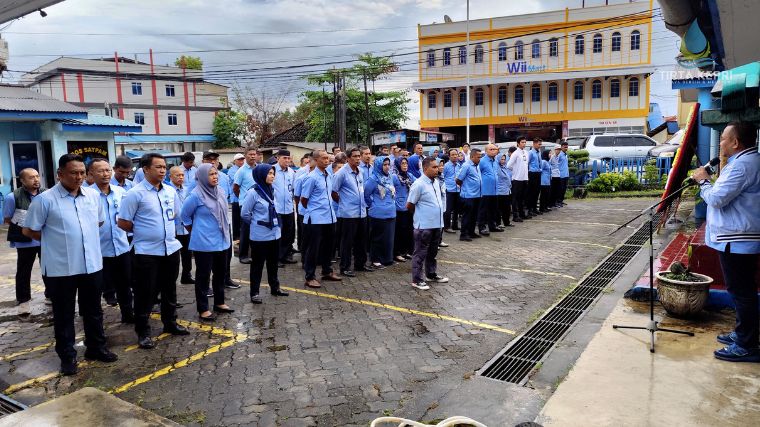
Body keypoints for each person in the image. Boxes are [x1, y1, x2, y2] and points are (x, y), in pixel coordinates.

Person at [23, 154, 117, 375]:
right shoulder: (45, 200)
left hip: (92, 265)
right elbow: (29, 230)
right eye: (73, 173)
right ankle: (67, 357)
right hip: (60, 268)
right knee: (64, 315)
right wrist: (54, 241)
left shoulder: (92, 197)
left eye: (82, 173)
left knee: (94, 311)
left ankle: (96, 348)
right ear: (60, 174)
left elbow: (99, 222)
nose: (79, 177)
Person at [692, 121, 760, 362]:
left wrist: (702, 181)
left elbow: (718, 199)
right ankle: (744, 334)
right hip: (737, 238)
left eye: (723, 138)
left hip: (738, 241)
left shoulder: (742, 166)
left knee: (742, 292)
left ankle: (747, 344)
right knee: (742, 291)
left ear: (735, 142)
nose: (720, 142)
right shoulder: (745, 162)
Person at [118, 153, 189, 350]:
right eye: (158, 167)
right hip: (146, 251)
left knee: (169, 289)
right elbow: (123, 221)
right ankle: (143, 331)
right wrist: (145, 231)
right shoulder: (135, 193)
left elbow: (175, 214)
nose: (162, 170)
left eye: (164, 167)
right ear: (145, 169)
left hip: (170, 248)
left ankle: (170, 322)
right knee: (145, 292)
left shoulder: (169, 191)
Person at [181, 163, 234, 320]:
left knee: (220, 273)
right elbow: (184, 216)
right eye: (211, 174)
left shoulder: (221, 192)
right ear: (203, 177)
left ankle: (219, 302)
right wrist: (195, 231)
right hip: (203, 243)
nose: (215, 177)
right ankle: (203, 308)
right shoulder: (195, 195)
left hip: (222, 240)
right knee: (203, 276)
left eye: (216, 174)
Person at [90, 158, 134, 323]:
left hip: (122, 247)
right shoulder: (87, 195)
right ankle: (95, 321)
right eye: (100, 171)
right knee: (95, 289)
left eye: (107, 170)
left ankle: (128, 315)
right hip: (98, 251)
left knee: (125, 285)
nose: (105, 174)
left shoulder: (121, 193)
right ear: (91, 174)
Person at [4, 168, 48, 316]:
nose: (36, 180)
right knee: (24, 271)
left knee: (49, 268)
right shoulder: (12, 197)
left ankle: (51, 295)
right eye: (31, 177)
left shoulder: (46, 194)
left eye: (37, 176)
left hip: (44, 239)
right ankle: (23, 301)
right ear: (22, 180)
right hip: (25, 241)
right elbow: (8, 219)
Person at [406, 157, 449, 290]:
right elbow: (409, 205)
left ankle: (431, 274)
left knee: (433, 251)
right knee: (420, 253)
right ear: (425, 169)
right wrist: (421, 215)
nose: (437, 169)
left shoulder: (435, 182)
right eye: (434, 167)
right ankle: (417, 279)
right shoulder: (418, 184)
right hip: (424, 225)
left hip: (437, 223)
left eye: (437, 167)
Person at [300, 150, 341, 288]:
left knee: (328, 247)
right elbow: (304, 199)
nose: (327, 160)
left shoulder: (328, 175)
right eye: (323, 158)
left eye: (327, 158)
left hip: (329, 217)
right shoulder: (311, 177)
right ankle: (310, 276)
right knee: (313, 249)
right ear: (316, 160)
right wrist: (314, 210)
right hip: (316, 218)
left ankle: (327, 271)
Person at [331, 147, 369, 277]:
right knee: (347, 242)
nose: (358, 158)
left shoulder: (361, 172)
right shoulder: (341, 173)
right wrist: (343, 203)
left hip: (361, 212)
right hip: (348, 214)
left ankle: (360, 264)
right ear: (348, 158)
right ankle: (345, 267)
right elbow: (333, 191)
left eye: (359, 156)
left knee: (361, 240)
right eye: (355, 156)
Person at [364, 156, 396, 269]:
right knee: (377, 238)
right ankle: (375, 260)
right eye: (384, 165)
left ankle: (387, 259)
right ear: (379, 165)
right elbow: (366, 195)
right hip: (378, 213)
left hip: (391, 212)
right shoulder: (373, 179)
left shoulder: (389, 177)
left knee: (388, 237)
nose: (387, 167)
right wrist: (373, 205)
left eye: (388, 164)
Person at [233, 147, 258, 264]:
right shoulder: (241, 171)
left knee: (256, 230)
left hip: (257, 205)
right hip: (245, 205)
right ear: (245, 156)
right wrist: (244, 199)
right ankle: (243, 255)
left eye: (254, 154)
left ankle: (254, 253)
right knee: (245, 230)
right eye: (250, 154)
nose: (253, 156)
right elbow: (236, 188)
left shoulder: (258, 168)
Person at [169, 166, 194, 285]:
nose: (180, 177)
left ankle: (186, 276)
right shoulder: (167, 190)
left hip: (185, 228)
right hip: (173, 229)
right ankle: (171, 281)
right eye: (177, 175)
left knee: (187, 255)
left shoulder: (186, 190)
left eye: (182, 175)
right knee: (173, 259)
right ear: (170, 176)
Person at [272, 150, 297, 266]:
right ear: (278, 158)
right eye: (284, 158)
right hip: (276, 208)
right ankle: (276, 258)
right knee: (277, 234)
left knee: (288, 233)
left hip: (288, 207)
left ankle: (285, 255)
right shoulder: (271, 170)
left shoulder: (291, 172)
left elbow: (293, 189)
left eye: (288, 158)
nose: (287, 161)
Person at [456, 148, 482, 241]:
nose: (480, 159)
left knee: (474, 216)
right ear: (472, 156)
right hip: (468, 196)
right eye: (478, 157)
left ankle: (471, 232)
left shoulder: (476, 165)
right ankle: (463, 234)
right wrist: (466, 188)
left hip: (477, 195)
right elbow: (458, 179)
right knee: (467, 215)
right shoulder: (466, 166)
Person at [392, 157, 415, 262]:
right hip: (399, 208)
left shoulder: (409, 176)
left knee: (408, 231)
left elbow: (417, 183)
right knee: (399, 232)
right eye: (402, 163)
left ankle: (406, 251)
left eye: (406, 163)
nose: (405, 165)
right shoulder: (394, 177)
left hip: (408, 207)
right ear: (397, 165)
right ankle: (397, 253)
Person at [478, 143, 502, 235]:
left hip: (495, 190)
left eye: (494, 149)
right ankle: (482, 227)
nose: (493, 151)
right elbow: (477, 173)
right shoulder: (482, 161)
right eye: (491, 149)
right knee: (483, 210)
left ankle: (493, 226)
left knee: (493, 209)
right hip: (485, 190)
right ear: (486, 151)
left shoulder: (495, 161)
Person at [294, 153, 315, 255]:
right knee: (305, 236)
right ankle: (304, 257)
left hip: (317, 213)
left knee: (314, 237)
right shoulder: (302, 177)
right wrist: (302, 208)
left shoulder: (325, 176)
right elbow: (297, 196)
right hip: (305, 211)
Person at [507, 137, 530, 222]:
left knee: (523, 198)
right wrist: (516, 170)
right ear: (518, 143)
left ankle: (522, 214)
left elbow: (526, 164)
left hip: (525, 178)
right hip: (517, 179)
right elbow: (509, 165)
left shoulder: (526, 153)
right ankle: (515, 216)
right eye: (522, 142)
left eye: (525, 142)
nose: (524, 144)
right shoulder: (515, 153)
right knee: (515, 198)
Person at [227, 153, 245, 241]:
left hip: (243, 199)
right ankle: (236, 238)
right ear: (235, 161)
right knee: (236, 219)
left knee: (243, 219)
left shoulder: (244, 169)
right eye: (239, 160)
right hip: (236, 198)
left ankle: (242, 237)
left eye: (242, 159)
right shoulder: (232, 170)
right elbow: (238, 183)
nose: (241, 161)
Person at [442, 149, 460, 233]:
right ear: (449, 156)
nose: (455, 156)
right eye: (452, 155)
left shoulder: (459, 165)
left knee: (457, 209)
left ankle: (455, 225)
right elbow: (443, 177)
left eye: (456, 154)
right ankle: (447, 226)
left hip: (458, 189)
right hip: (449, 190)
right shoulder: (446, 166)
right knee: (448, 209)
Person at [496, 152, 513, 228]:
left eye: (504, 159)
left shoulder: (505, 167)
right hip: (500, 191)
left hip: (507, 190)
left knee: (507, 208)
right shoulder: (497, 168)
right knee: (499, 209)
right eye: (501, 159)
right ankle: (498, 223)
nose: (503, 161)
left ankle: (507, 222)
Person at [526, 138, 543, 216]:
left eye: (540, 144)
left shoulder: (538, 152)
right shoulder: (530, 153)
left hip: (538, 173)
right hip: (532, 174)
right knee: (531, 192)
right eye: (539, 144)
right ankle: (530, 209)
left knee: (537, 192)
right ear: (534, 144)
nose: (540, 146)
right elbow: (527, 164)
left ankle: (535, 208)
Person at [557, 142, 570, 207]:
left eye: (567, 147)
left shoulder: (566, 154)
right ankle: (558, 201)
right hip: (560, 175)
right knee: (560, 189)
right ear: (561, 147)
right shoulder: (559, 154)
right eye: (565, 147)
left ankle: (561, 200)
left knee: (564, 188)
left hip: (566, 174)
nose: (566, 148)